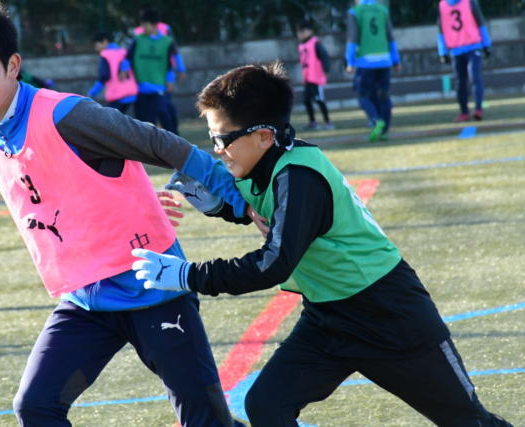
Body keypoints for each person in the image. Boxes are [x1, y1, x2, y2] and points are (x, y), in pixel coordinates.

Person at [132, 62, 513, 427]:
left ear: (263, 135)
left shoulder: (299, 176)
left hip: (389, 315)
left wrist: (188, 275)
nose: (217, 149)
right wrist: (224, 208)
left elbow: (273, 263)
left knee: (469, 422)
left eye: (222, 139)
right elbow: (264, 211)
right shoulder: (263, 163)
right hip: (327, 318)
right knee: (267, 405)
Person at [0, 1, 247, 426]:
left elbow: (160, 143)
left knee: (205, 419)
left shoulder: (65, 114)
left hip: (153, 286)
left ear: (13, 66)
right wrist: (132, 201)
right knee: (36, 406)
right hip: (86, 299)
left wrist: (239, 200)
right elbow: (63, 191)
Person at [345, 0, 401, 142]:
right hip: (385, 60)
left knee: (363, 96)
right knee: (384, 95)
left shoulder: (355, 12)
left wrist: (350, 61)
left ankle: (375, 120)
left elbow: (352, 38)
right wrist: (396, 60)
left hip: (366, 62)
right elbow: (390, 37)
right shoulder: (383, 10)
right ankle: (384, 130)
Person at [133, 7, 187, 135]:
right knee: (149, 114)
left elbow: (174, 52)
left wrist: (179, 70)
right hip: (145, 79)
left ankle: (173, 136)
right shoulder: (138, 33)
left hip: (163, 76)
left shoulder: (165, 29)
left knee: (164, 110)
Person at [437, 0, 492, 122]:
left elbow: (480, 22)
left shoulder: (470, 2)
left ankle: (478, 109)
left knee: (475, 77)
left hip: (473, 47)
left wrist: (486, 43)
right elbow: (440, 30)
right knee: (460, 83)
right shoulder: (442, 5)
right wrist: (442, 51)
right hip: (456, 50)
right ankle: (464, 112)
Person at [296, 20, 334, 131]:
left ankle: (328, 122)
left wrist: (326, 70)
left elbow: (324, 57)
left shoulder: (315, 43)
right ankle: (313, 122)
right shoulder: (301, 45)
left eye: (303, 31)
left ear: (310, 31)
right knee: (306, 100)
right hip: (307, 78)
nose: (300, 34)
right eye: (298, 31)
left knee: (319, 99)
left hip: (316, 78)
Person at [87, 31, 138, 114]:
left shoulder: (105, 55)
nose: (96, 48)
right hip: (131, 94)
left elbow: (104, 76)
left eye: (96, 45)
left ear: (105, 41)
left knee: (111, 120)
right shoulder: (123, 51)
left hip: (117, 95)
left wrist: (92, 93)